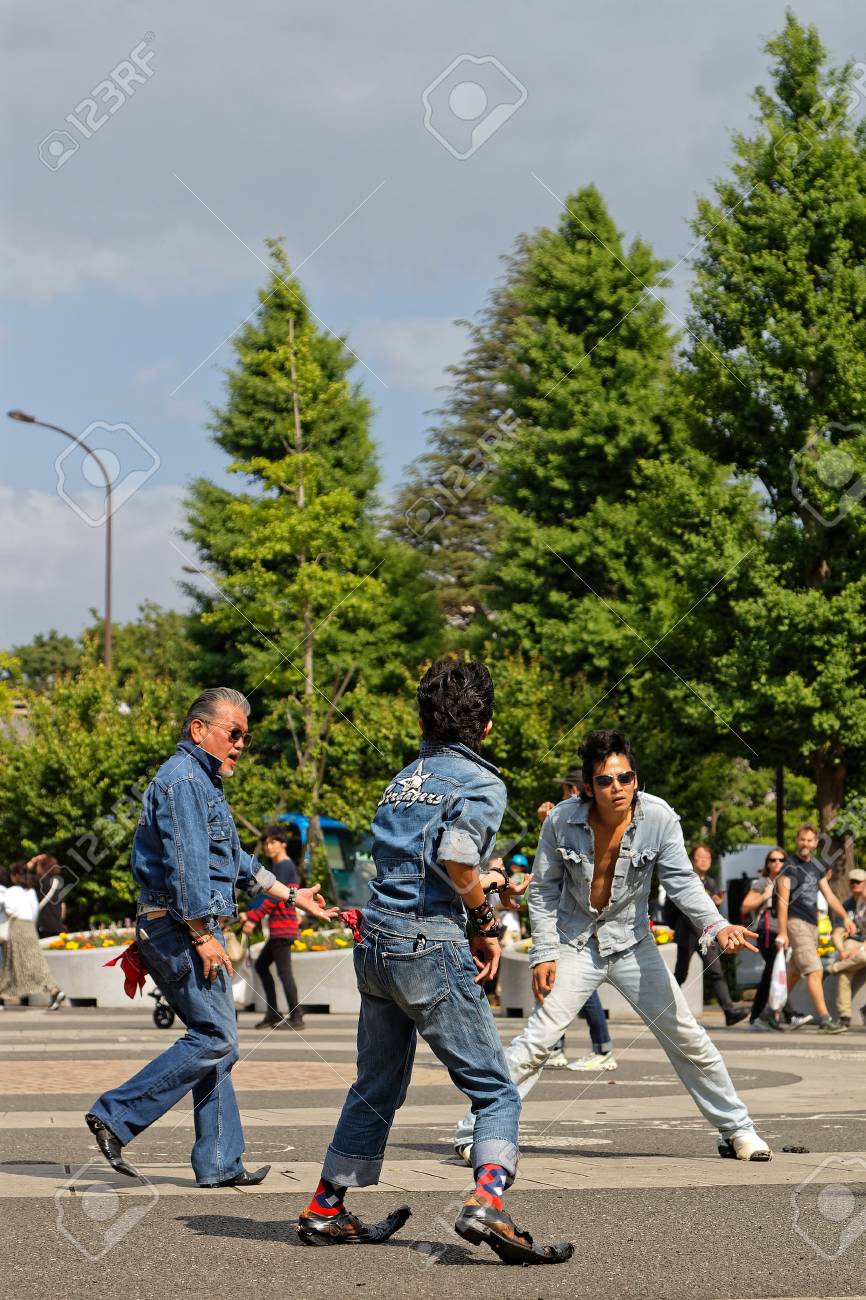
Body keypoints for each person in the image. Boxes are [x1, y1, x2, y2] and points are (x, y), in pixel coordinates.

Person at [298, 659, 573, 1266]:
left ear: (423, 718)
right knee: (495, 1091)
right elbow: (457, 862)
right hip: (427, 944)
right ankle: (487, 1199)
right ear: (489, 726)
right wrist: (485, 918)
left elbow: (423, 863)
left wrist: (474, 894)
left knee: (375, 1085)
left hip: (374, 943)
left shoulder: (404, 778)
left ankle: (326, 1205)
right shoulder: (482, 783)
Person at [454, 728, 773, 1164]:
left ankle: (738, 1130)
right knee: (538, 1040)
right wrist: (544, 953)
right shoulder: (560, 820)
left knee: (688, 1037)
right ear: (589, 787)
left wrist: (716, 925)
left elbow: (682, 882)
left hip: (631, 942)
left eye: (624, 778)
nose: (616, 788)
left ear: (635, 779)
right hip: (574, 941)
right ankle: (475, 1131)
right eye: (605, 781)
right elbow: (545, 891)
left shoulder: (660, 819)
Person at [84, 687, 337, 1188]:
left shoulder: (202, 783)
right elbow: (187, 867)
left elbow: (234, 861)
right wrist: (201, 933)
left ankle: (220, 1161)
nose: (241, 743)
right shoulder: (183, 783)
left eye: (245, 735)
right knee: (216, 1036)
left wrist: (291, 895)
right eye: (234, 733)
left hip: (184, 924)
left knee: (216, 1040)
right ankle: (115, 1115)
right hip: (180, 927)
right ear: (199, 730)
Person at [537, 779, 617, 1072]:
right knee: (562, 985)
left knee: (577, 988)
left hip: (577, 922)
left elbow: (555, 871)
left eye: (565, 790)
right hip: (570, 920)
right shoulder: (571, 819)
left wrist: (549, 823)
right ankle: (560, 1046)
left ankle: (598, 1048)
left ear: (574, 790)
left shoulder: (576, 820)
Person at [776, 824, 856, 1034]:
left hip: (812, 925)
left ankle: (769, 1013)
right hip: (796, 923)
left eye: (810, 840)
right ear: (797, 840)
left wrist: (845, 916)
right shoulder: (789, 867)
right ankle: (825, 1019)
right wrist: (783, 932)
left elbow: (829, 896)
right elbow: (782, 901)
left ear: (815, 843)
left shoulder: (817, 867)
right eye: (802, 839)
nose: (806, 844)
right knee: (815, 969)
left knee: (794, 973)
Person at [670, 845, 749, 1027]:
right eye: (700, 857)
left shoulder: (712, 883)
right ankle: (665, 1009)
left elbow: (712, 914)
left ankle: (729, 1011)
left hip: (706, 935)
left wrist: (717, 904)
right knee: (681, 974)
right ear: (692, 861)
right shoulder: (685, 880)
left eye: (707, 857)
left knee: (716, 972)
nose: (704, 860)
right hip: (688, 932)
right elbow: (678, 906)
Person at [241, 824, 303, 1030]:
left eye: (272, 842)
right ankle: (273, 1013)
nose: (268, 847)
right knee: (262, 967)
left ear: (283, 843)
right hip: (279, 927)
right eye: (266, 843)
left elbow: (276, 900)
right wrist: (250, 915)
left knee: (285, 972)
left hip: (283, 928)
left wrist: (253, 918)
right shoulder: (279, 867)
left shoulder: (285, 866)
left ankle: (296, 1018)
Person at [0, 863, 66, 1011]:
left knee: (14, 963)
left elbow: (9, 911)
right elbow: (35, 911)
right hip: (30, 927)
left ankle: (54, 990)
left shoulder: (10, 892)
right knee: (32, 961)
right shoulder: (30, 892)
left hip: (17, 928)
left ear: (15, 876)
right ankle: (54, 990)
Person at [741, 847, 787, 1030]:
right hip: (767, 932)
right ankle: (787, 1014)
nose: (777, 863)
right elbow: (744, 906)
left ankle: (765, 1016)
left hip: (783, 933)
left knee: (772, 973)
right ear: (767, 864)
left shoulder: (788, 882)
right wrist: (764, 896)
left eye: (781, 860)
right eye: (773, 860)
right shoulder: (762, 882)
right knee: (772, 971)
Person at [823, 867, 866, 1029]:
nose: (854, 884)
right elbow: (838, 932)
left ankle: (831, 969)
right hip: (852, 942)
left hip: (863, 946)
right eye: (852, 881)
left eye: (858, 882)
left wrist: (861, 949)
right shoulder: (846, 905)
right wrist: (842, 951)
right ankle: (845, 1015)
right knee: (845, 974)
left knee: (862, 957)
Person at [29, 854, 66, 939]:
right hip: (57, 927)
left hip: (42, 927)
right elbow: (63, 907)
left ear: (42, 867)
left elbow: (20, 873)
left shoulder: (38, 881)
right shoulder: (58, 884)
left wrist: (34, 860)